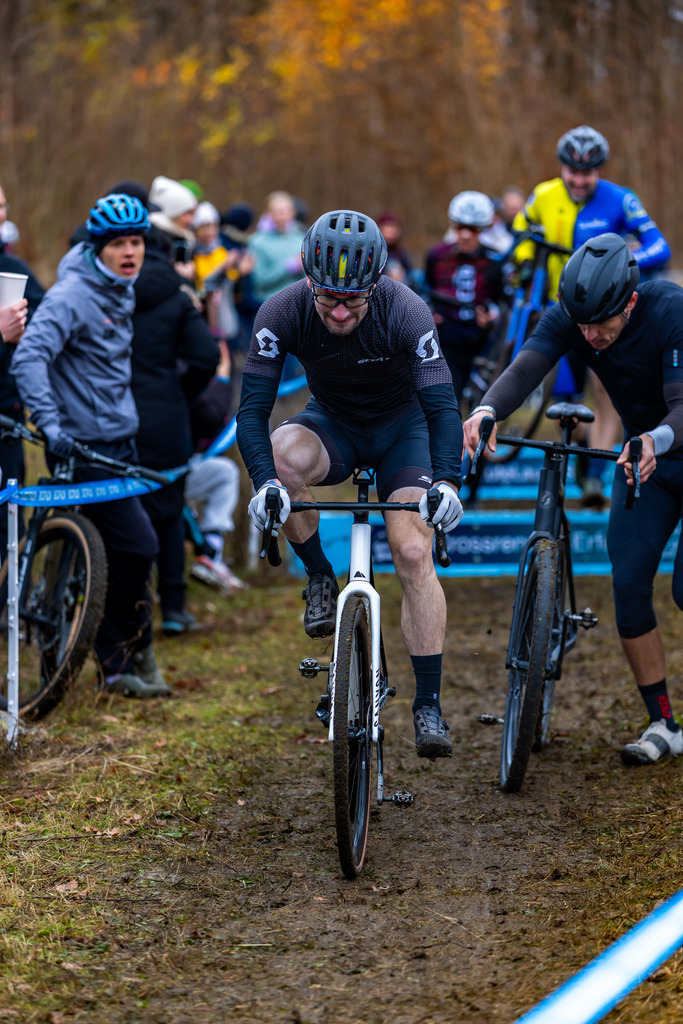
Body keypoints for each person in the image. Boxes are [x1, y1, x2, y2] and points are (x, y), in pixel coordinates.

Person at [236, 209, 464, 760]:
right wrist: (266, 484)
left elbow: (442, 410)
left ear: (378, 285)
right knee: (284, 462)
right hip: (333, 423)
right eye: (328, 298)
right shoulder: (282, 309)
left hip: (402, 432)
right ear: (310, 281)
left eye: (354, 299)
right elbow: (251, 414)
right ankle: (319, 575)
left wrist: (449, 482)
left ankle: (427, 704)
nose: (339, 310)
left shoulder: (407, 311)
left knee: (413, 551)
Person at [463, 233, 683, 767]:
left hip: (668, 439)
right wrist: (488, 409)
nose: (589, 336)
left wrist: (654, 438)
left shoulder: (670, 310)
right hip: (641, 459)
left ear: (629, 302)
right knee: (628, 582)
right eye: (580, 324)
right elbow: (524, 368)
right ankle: (664, 722)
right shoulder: (574, 316)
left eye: (600, 324)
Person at [11, 194, 171, 699]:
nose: (130, 253)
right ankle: (118, 659)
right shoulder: (72, 295)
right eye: (119, 244)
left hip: (117, 442)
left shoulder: (120, 288)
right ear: (98, 248)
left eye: (136, 242)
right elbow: (29, 358)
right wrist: (53, 425)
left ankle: (129, 651)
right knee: (137, 546)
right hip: (79, 446)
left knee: (125, 553)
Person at [513, 125, 671, 506]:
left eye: (588, 173)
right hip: (561, 312)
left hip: (605, 315)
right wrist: (521, 262)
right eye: (572, 172)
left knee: (605, 391)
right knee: (567, 396)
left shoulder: (620, 200)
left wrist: (622, 264)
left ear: (599, 170)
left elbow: (660, 247)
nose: (579, 180)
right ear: (562, 168)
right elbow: (518, 232)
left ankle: (597, 478)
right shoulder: (543, 195)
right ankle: (584, 462)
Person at [130, 211, 219, 636]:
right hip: (166, 416)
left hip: (115, 414)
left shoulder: (110, 290)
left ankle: (132, 611)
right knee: (168, 512)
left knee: (123, 513)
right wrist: (179, 391)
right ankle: (176, 608)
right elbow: (204, 356)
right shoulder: (179, 293)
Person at [424, 191, 506, 403]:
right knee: (448, 400)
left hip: (481, 344)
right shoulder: (436, 256)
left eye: (473, 229)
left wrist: (491, 316)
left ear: (483, 229)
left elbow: (504, 301)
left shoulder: (495, 262)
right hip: (444, 340)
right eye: (460, 227)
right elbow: (423, 291)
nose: (466, 235)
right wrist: (427, 313)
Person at [148, 176, 198, 283]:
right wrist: (177, 276)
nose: (191, 220)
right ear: (173, 213)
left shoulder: (184, 239)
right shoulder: (154, 240)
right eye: (187, 213)